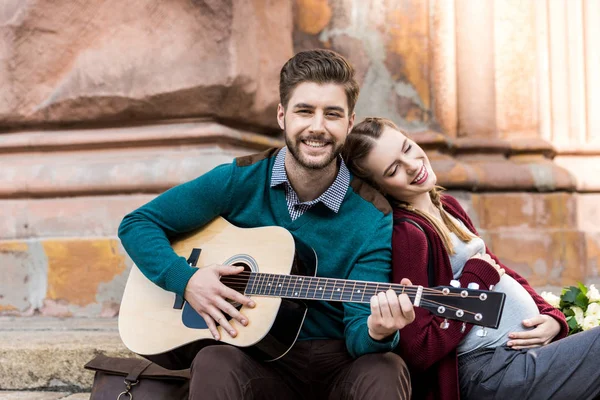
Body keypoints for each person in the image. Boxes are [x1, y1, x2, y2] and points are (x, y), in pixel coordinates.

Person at [118, 50, 414, 399]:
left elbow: (357, 334)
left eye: (332, 114)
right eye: (304, 111)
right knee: (214, 360)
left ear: (349, 124)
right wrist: (187, 280)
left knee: (386, 367)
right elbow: (138, 224)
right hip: (257, 362)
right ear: (282, 115)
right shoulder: (238, 180)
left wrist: (378, 331)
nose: (317, 127)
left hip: (337, 365)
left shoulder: (371, 216)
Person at [342, 116, 600, 400]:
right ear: (380, 187)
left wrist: (551, 316)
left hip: (517, 356)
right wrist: (473, 280)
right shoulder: (409, 235)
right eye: (393, 170)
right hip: (488, 370)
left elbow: (499, 271)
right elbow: (418, 348)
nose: (412, 165)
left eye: (407, 148)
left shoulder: (447, 207)